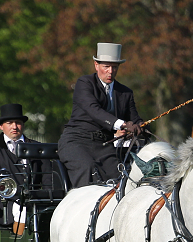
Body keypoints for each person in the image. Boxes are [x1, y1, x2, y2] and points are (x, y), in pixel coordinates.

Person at [58, 43, 146, 188]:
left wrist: (140, 127)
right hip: (76, 141)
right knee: (88, 169)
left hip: (104, 145)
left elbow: (135, 119)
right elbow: (94, 110)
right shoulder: (84, 83)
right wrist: (123, 125)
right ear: (96, 65)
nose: (110, 71)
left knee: (120, 176)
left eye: (114, 67)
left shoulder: (125, 92)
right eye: (106, 66)